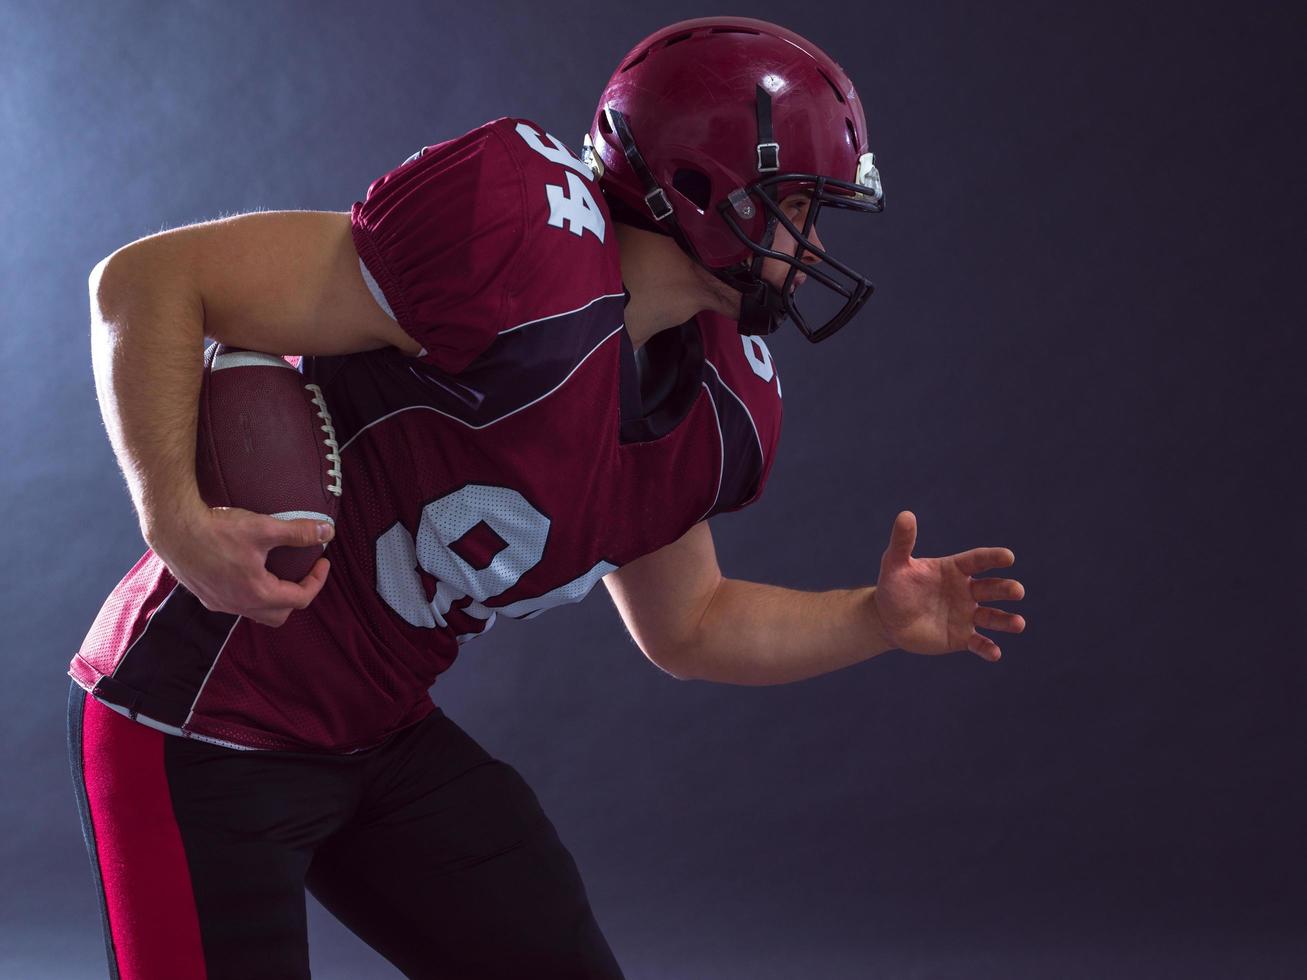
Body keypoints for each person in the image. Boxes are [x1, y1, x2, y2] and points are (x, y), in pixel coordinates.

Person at [67, 16, 1027, 980]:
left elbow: (691, 623)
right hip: (196, 721)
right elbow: (149, 280)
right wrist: (175, 521)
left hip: (377, 732)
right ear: (707, 192)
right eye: (799, 207)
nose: (813, 241)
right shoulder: (517, 244)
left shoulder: (719, 399)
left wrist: (873, 618)